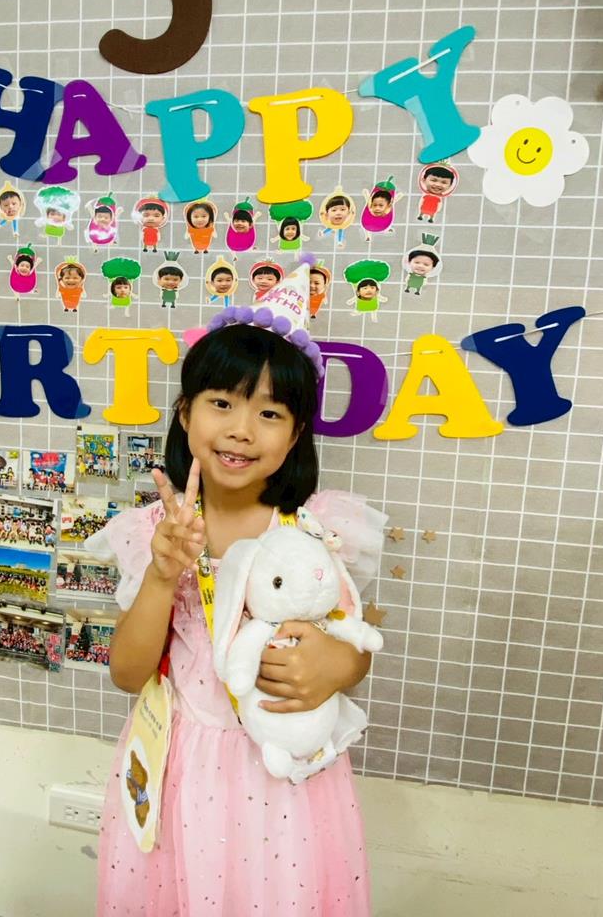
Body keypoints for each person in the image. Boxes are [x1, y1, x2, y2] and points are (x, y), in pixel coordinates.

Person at [86, 306, 385, 915]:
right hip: (178, 765)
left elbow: (351, 647)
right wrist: (163, 575)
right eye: (222, 403)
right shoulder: (156, 530)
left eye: (269, 413)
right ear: (185, 414)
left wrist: (338, 665)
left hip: (283, 780)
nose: (242, 430)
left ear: (295, 435)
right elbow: (127, 673)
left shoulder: (312, 528)